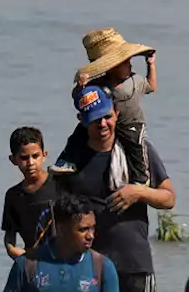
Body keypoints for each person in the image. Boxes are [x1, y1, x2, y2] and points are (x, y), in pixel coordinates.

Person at [55, 84, 176, 292]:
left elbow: (169, 198)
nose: (103, 124)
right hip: (87, 265)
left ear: (117, 112)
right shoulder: (72, 161)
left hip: (134, 263)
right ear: (82, 122)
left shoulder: (138, 152)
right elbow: (57, 215)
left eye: (107, 116)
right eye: (95, 120)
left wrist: (138, 191)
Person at [52, 28, 158, 188]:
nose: (129, 66)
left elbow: (151, 85)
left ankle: (141, 179)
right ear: (112, 67)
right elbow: (78, 97)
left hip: (132, 122)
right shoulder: (98, 84)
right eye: (126, 63)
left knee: (136, 149)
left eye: (129, 62)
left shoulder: (135, 80)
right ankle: (68, 160)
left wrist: (151, 65)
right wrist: (80, 87)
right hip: (105, 122)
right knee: (77, 135)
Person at [2, 126, 60, 258]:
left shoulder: (60, 184)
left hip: (63, 261)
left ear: (44, 155)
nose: (31, 163)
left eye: (35, 156)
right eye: (24, 158)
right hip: (34, 263)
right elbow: (10, 235)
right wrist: (12, 250)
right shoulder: (14, 196)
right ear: (13, 160)